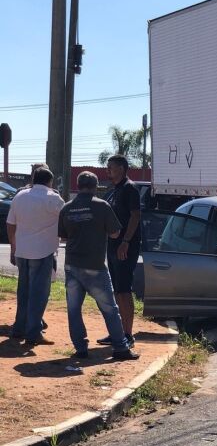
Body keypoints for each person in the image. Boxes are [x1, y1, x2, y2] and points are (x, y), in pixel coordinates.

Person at [59, 171, 139, 360]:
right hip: (95, 266)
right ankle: (121, 348)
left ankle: (80, 348)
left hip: (71, 265)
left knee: (73, 309)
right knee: (110, 309)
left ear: (78, 186)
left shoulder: (67, 208)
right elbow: (114, 233)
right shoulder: (102, 206)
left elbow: (62, 236)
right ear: (95, 187)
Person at [8, 167, 64, 344]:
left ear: (33, 179)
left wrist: (13, 247)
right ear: (50, 181)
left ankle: (19, 328)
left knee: (23, 291)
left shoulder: (20, 196)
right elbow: (66, 223)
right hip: (43, 252)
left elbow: (11, 224)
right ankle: (33, 333)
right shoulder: (54, 199)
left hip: (22, 251)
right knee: (38, 294)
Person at [100, 154, 141, 348]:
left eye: (111, 167)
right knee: (116, 291)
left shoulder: (129, 188)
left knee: (124, 290)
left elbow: (135, 216)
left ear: (122, 169)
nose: (108, 170)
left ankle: (128, 334)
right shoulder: (113, 190)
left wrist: (126, 241)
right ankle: (117, 333)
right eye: (107, 167)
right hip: (112, 247)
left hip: (125, 247)